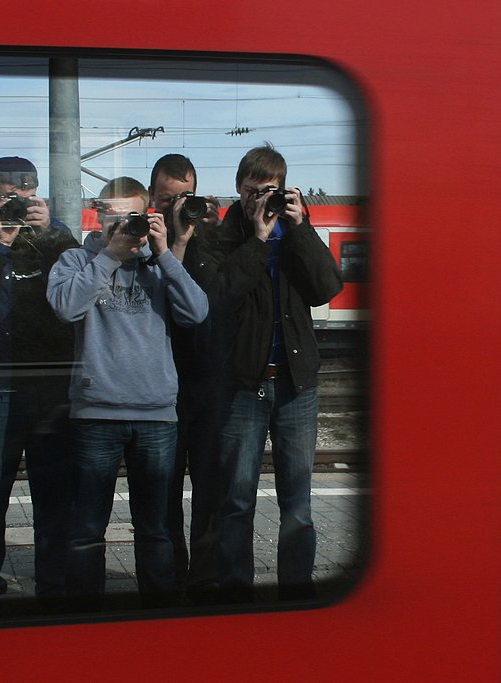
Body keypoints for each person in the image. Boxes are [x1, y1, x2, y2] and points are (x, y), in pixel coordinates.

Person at [187, 144, 343, 602]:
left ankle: (296, 593)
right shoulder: (218, 237)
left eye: (270, 191)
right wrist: (256, 240)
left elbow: (326, 287)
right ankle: (237, 593)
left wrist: (300, 229)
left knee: (298, 504)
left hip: (297, 385)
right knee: (236, 502)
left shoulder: (295, 231)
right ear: (238, 189)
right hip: (242, 385)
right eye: (254, 191)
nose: (261, 201)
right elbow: (218, 299)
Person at [46, 176, 208, 609]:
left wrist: (165, 253)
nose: (123, 226)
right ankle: (85, 616)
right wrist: (110, 257)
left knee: (155, 528)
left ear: (148, 216)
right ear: (99, 215)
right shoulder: (76, 259)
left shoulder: (159, 267)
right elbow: (65, 307)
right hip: (95, 412)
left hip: (156, 413)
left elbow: (197, 313)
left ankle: (159, 618)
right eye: (114, 216)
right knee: (87, 528)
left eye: (132, 216)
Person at [0, 156, 80, 604]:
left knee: (54, 497)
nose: (3, 202)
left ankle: (55, 586)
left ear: (33, 194)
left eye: (14, 195)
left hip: (48, 385)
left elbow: (78, 278)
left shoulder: (53, 228)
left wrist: (49, 230)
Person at [148, 153, 223, 600]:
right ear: (152, 197)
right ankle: (169, 580)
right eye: (166, 198)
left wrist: (206, 228)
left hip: (208, 381)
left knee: (210, 490)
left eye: (184, 198)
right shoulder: (143, 237)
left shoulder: (210, 237)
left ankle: (206, 580)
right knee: (164, 492)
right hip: (161, 383)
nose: (177, 207)